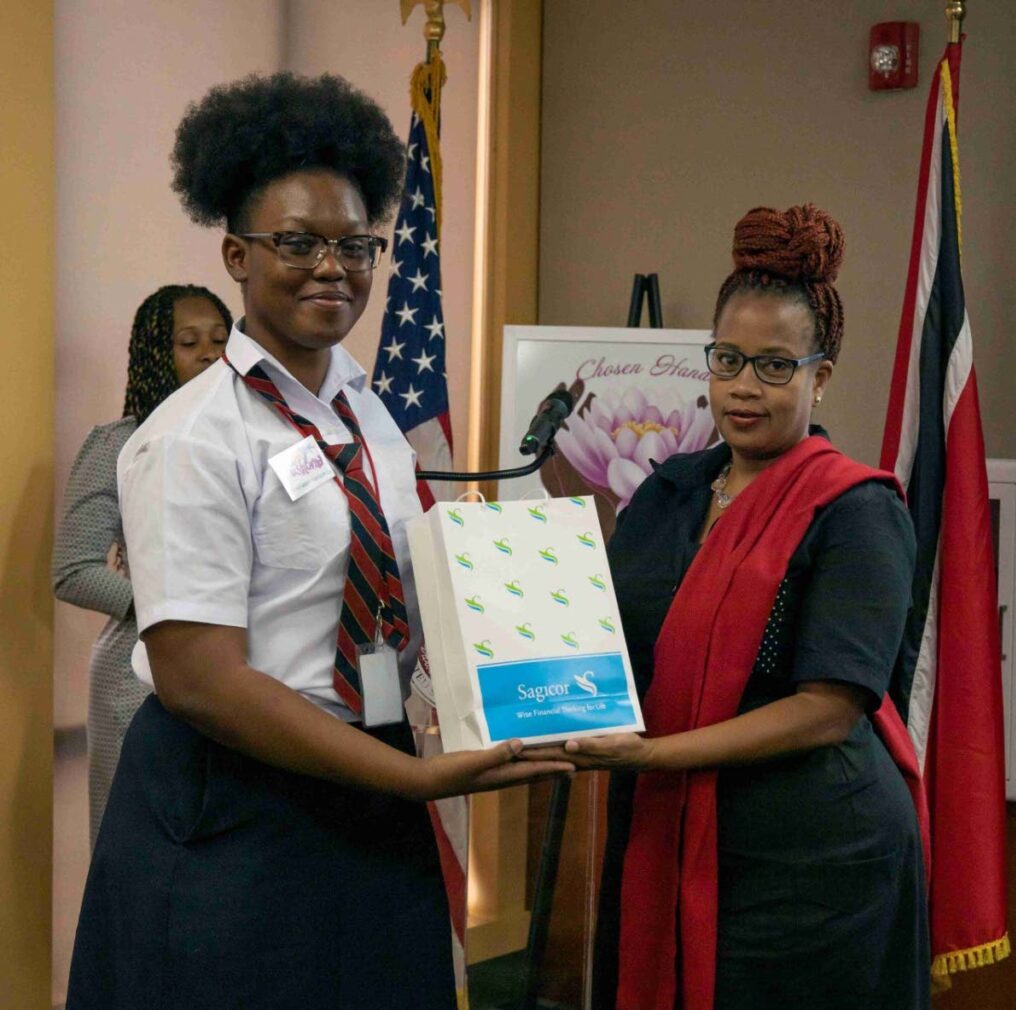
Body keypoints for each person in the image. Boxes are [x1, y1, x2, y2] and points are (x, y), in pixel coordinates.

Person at [65, 73, 570, 1010]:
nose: (330, 266)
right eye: (295, 242)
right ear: (236, 256)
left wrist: (549, 650)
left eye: (354, 245)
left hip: (368, 786)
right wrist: (410, 778)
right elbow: (200, 681)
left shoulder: (368, 412)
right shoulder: (191, 435)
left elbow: (407, 590)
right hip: (235, 808)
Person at [527, 205, 930, 1010]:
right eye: (729, 359)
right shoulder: (668, 493)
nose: (746, 386)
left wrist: (651, 758)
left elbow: (828, 708)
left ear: (820, 376)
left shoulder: (856, 510)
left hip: (813, 861)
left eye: (776, 366)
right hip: (666, 834)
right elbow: (604, 631)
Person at [53, 283, 233, 847]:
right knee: (136, 857)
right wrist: (164, 602)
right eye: (188, 342)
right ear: (158, 353)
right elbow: (72, 567)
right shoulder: (119, 443)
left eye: (221, 340)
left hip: (233, 674)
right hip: (137, 679)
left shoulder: (252, 442)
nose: (208, 353)